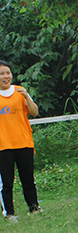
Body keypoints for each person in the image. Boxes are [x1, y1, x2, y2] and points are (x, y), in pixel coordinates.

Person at [0, 60, 42, 221]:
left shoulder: (20, 91)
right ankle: (9, 213)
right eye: (2, 74)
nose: (6, 76)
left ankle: (34, 208)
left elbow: (34, 112)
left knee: (28, 178)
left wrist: (27, 97)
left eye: (8, 73)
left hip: (24, 142)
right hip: (3, 145)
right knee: (6, 182)